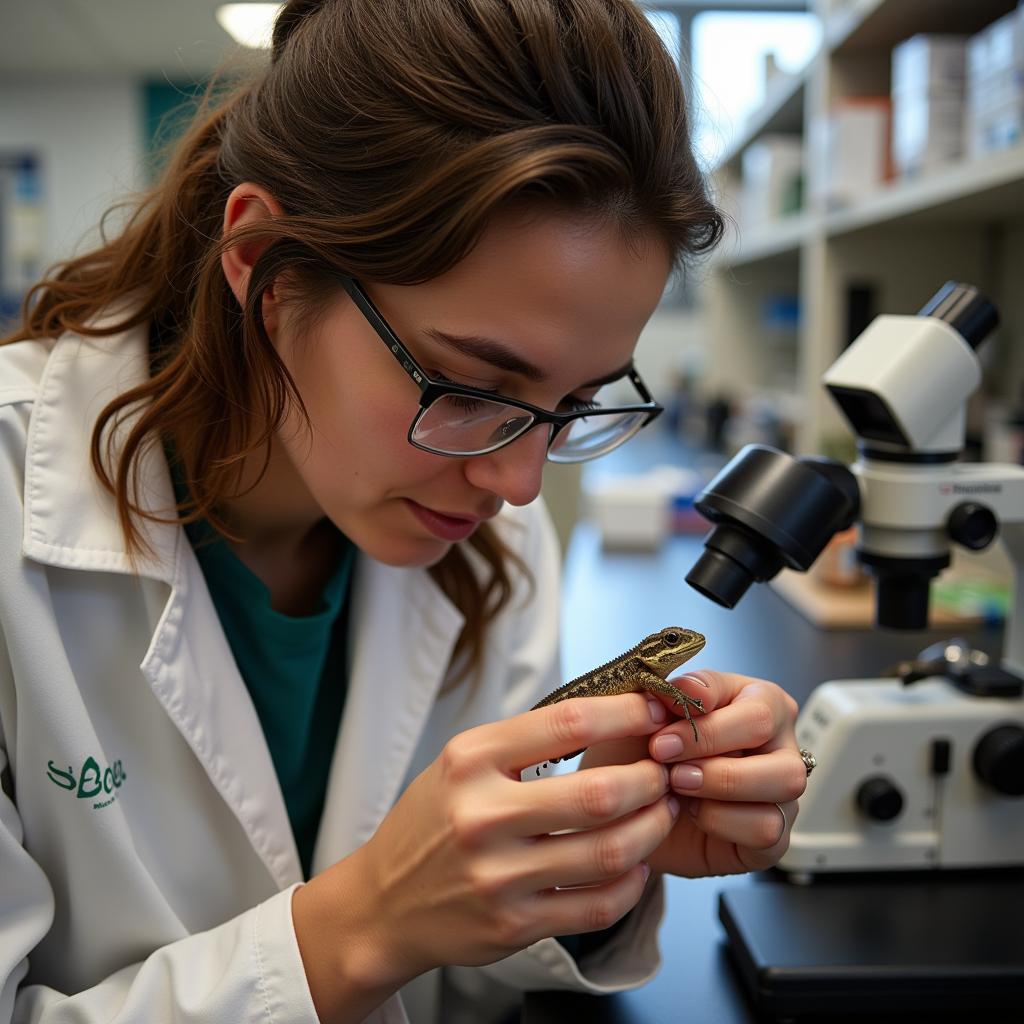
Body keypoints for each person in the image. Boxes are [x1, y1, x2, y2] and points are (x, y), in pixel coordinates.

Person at [0, 2, 808, 1022]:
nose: (520, 484)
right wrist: (365, 922)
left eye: (570, 405)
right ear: (264, 269)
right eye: (467, 385)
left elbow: (458, 984)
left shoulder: (482, 523)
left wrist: (594, 854)